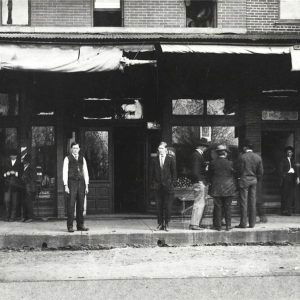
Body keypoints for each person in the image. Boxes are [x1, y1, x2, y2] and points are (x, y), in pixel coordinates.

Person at [208, 145, 236, 231]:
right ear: (225, 153)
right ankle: (228, 225)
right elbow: (234, 174)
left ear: (217, 153)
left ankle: (218, 226)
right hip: (229, 188)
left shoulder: (212, 163)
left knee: (217, 207)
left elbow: (209, 176)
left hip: (216, 188)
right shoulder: (230, 163)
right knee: (227, 207)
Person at [236, 140, 264, 228]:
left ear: (245, 147)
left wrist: (239, 177)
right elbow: (261, 172)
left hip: (244, 180)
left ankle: (243, 223)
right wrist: (256, 178)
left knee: (244, 202)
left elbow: (239, 170)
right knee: (253, 202)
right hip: (253, 180)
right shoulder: (258, 157)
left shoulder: (242, 157)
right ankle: (252, 223)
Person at [63, 142, 89, 233]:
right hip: (71, 183)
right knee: (71, 205)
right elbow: (65, 172)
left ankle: (80, 225)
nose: (75, 149)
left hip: (81, 183)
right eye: (73, 148)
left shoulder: (82, 159)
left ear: (79, 149)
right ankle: (70, 226)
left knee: (81, 205)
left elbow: (85, 172)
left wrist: (87, 185)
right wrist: (66, 185)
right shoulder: (67, 159)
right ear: (71, 149)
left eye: (77, 148)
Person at [151, 142, 177, 231]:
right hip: (158, 186)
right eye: (159, 148)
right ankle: (160, 224)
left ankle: (167, 224)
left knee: (168, 206)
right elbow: (152, 173)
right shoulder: (155, 160)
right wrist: (154, 183)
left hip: (168, 186)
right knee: (159, 206)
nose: (160, 150)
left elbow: (174, 173)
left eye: (162, 148)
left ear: (166, 150)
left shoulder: (171, 159)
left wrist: (172, 183)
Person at [189, 138, 209, 230]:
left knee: (199, 202)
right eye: (205, 146)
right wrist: (200, 181)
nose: (205, 149)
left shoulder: (195, 155)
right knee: (199, 203)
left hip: (198, 181)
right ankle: (194, 224)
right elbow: (195, 171)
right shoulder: (197, 155)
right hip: (199, 182)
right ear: (201, 146)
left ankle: (195, 223)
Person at [279, 146, 299, 216]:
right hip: (286, 179)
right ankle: (283, 210)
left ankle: (289, 211)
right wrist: (287, 173)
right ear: (286, 153)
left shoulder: (293, 160)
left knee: (291, 195)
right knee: (285, 195)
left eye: (290, 152)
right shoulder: (283, 160)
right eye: (288, 152)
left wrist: (297, 178)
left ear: (292, 153)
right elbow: (280, 171)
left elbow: (296, 170)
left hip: (292, 179)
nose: (289, 153)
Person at [3, 149, 22, 222]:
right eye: (11, 155)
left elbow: (21, 174)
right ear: (10, 156)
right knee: (6, 201)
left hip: (16, 185)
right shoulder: (6, 163)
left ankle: (12, 217)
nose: (12, 157)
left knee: (14, 202)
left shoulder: (20, 163)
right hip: (7, 185)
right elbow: (2, 173)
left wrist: (15, 173)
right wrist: (6, 174)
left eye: (14, 155)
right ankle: (7, 216)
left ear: (16, 156)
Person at [20, 154, 36, 222]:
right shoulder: (24, 168)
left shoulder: (31, 168)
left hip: (29, 187)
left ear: (27, 162)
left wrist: (24, 178)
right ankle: (25, 217)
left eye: (25, 160)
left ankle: (30, 217)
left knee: (29, 202)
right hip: (24, 187)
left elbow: (32, 178)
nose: (23, 162)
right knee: (24, 202)